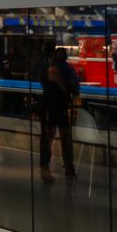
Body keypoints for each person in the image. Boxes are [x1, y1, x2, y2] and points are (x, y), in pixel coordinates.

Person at [38, 47, 77, 183]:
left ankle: (46, 168)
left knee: (48, 138)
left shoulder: (47, 69)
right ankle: (68, 166)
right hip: (60, 107)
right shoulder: (68, 69)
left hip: (50, 107)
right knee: (64, 138)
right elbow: (71, 88)